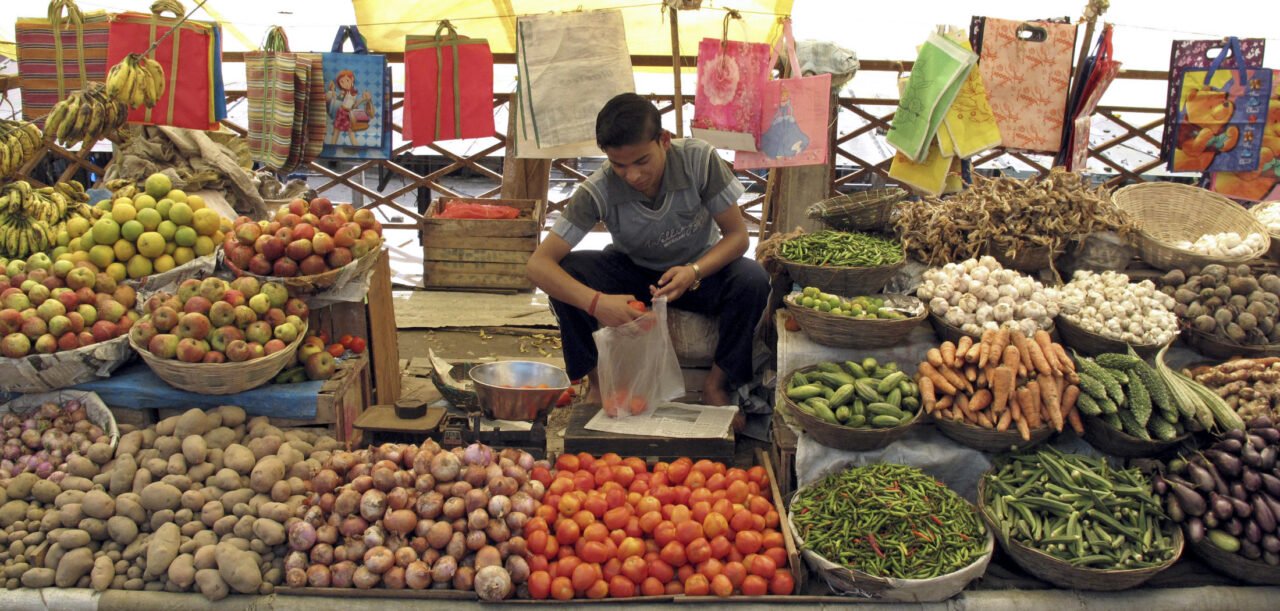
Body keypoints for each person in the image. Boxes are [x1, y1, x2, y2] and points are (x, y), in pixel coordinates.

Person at [527, 93, 770, 410]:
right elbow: (538, 266)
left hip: (699, 272)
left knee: (753, 279)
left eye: (642, 161)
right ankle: (598, 386)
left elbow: (738, 237)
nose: (632, 176)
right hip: (633, 272)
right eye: (619, 165)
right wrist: (597, 303)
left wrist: (693, 271)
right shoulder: (597, 190)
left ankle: (717, 384)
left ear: (664, 140)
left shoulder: (698, 160)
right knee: (566, 274)